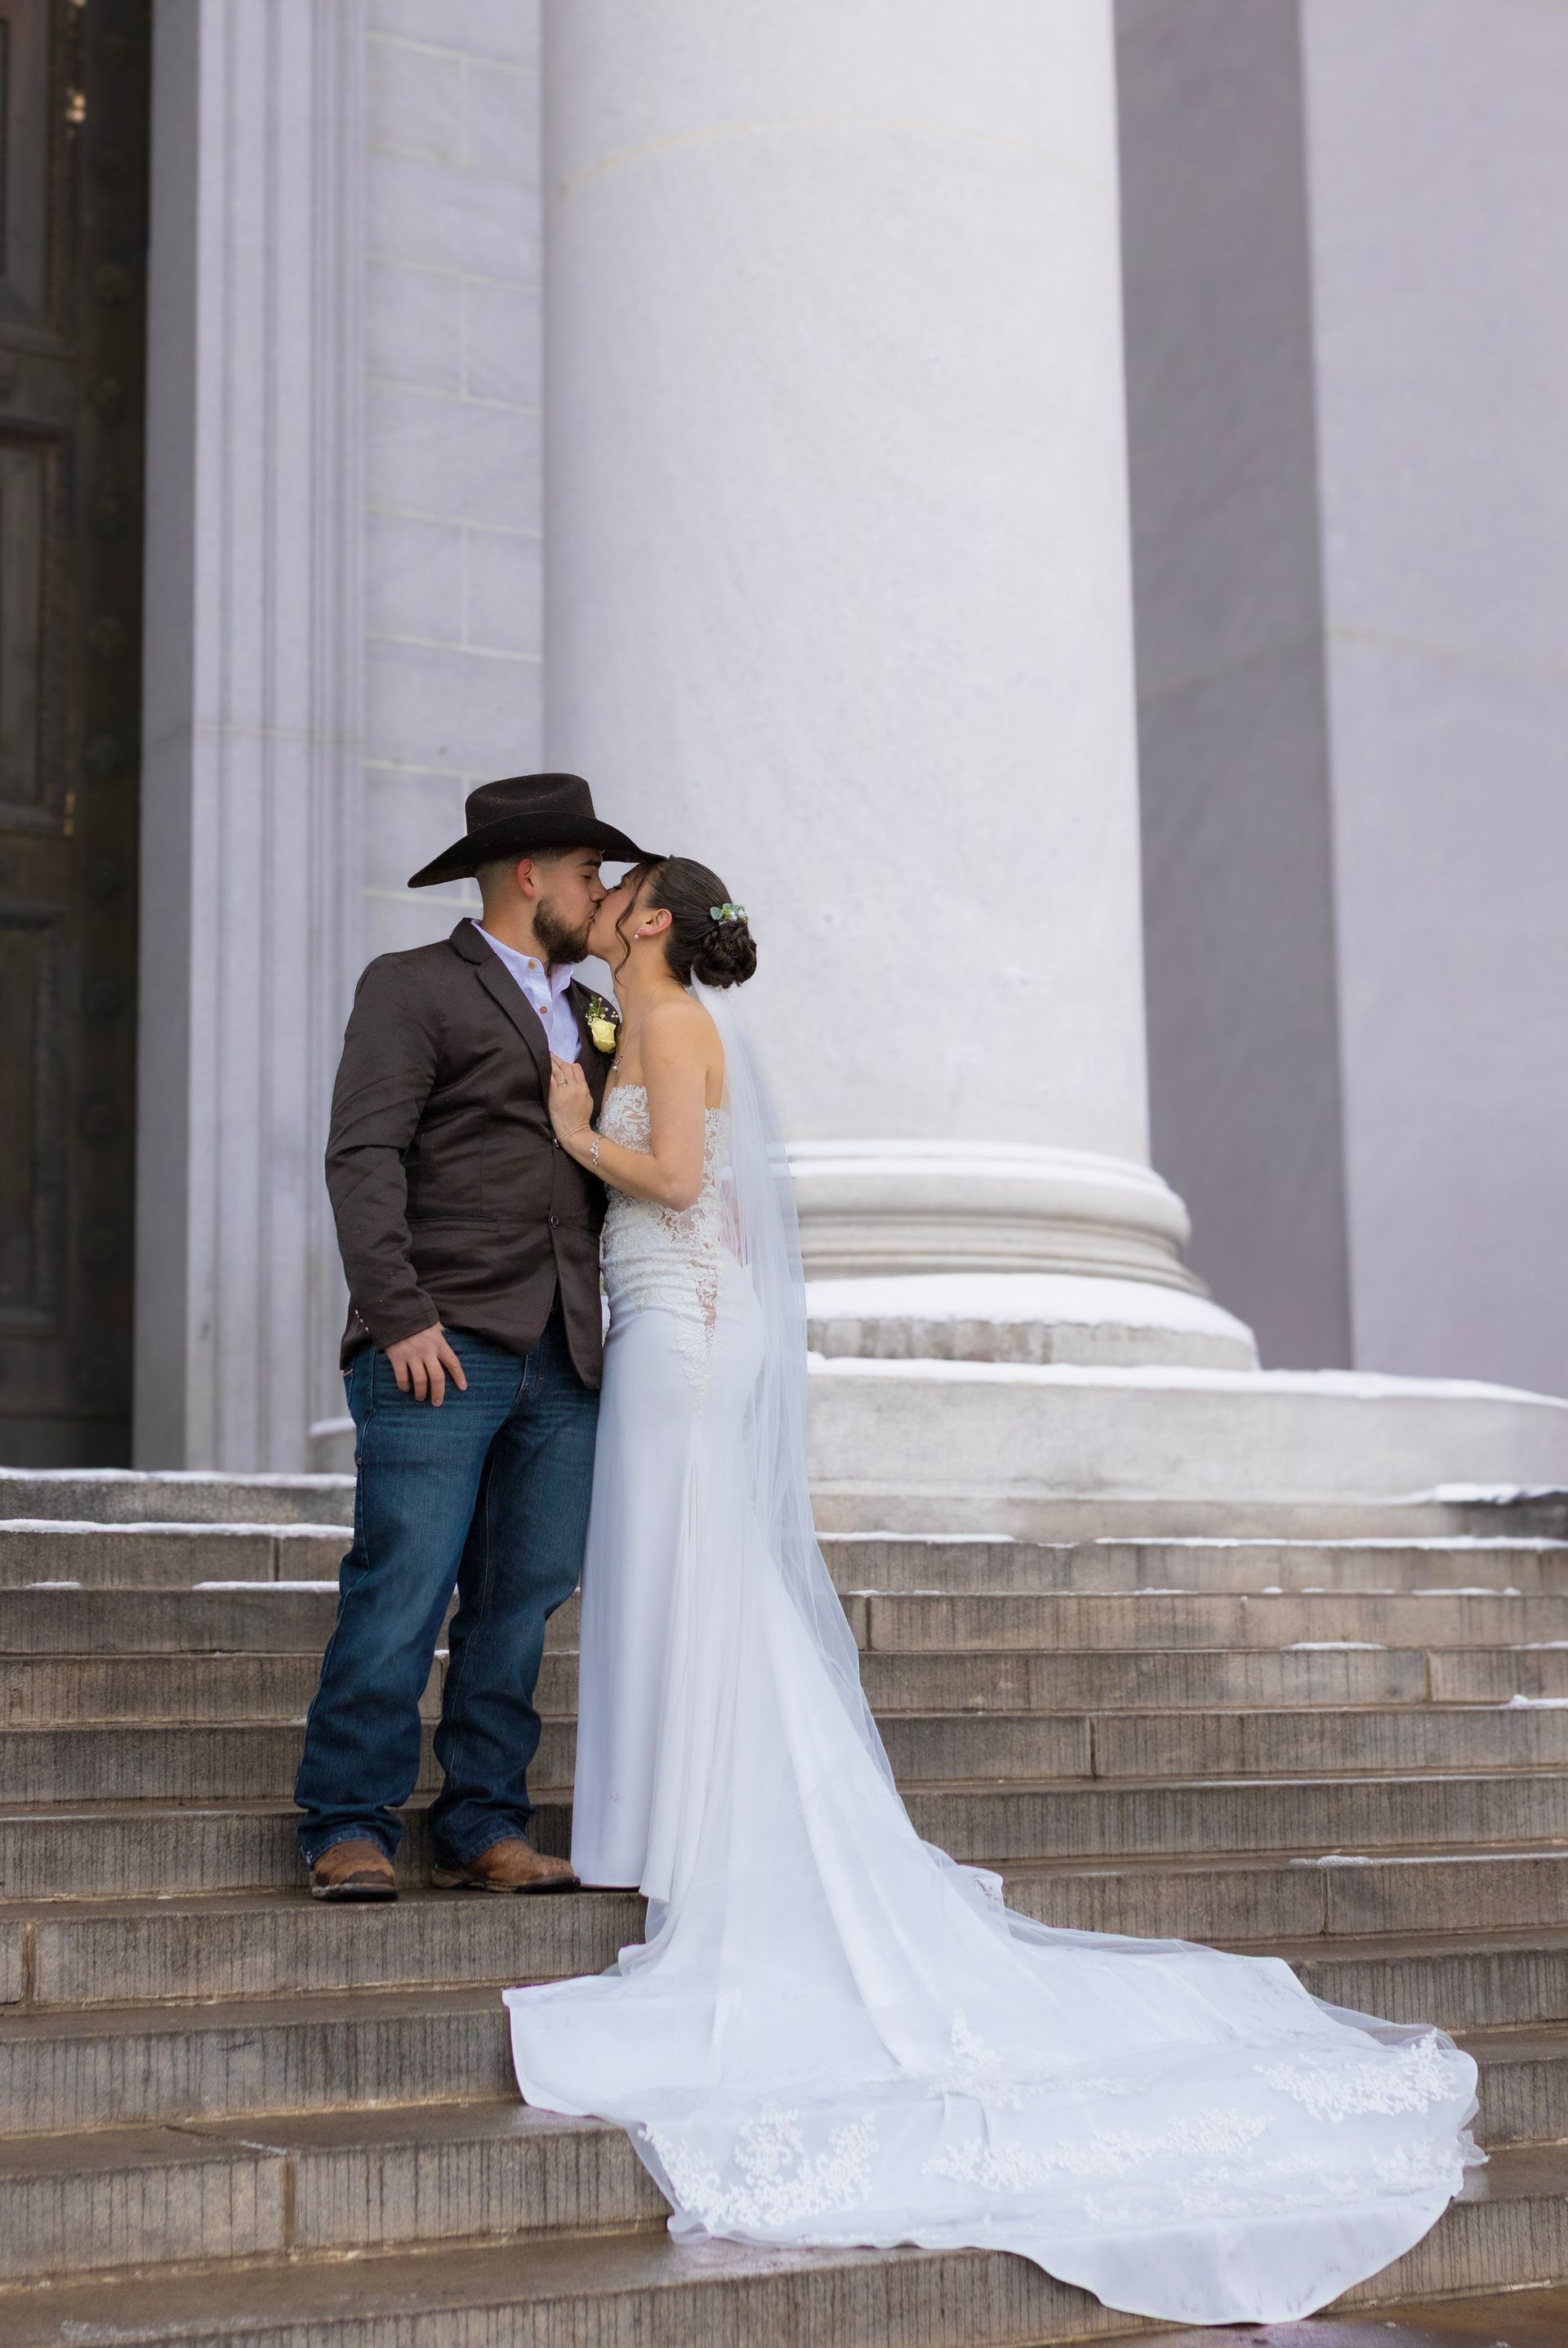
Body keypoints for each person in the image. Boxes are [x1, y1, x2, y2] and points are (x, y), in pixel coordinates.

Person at [504, 855, 1483, 2330]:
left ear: (646, 920)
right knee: (678, 1575)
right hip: (678, 1316)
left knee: (693, 1573)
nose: (604, 898)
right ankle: (673, 1818)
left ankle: (695, 1827)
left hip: (686, 1325)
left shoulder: (673, 1031)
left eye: (619, 887)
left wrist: (580, 1134)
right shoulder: (650, 1022)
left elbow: (688, 1181)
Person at [293, 773, 653, 1902]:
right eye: (589, 874)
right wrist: (397, 1313)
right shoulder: (410, 987)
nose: (599, 895)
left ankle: (483, 1820)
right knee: (402, 1582)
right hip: (443, 1341)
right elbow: (364, 1155)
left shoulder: (600, 1010)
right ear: (530, 874)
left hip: (569, 1353)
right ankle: (348, 1822)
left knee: (524, 1595)